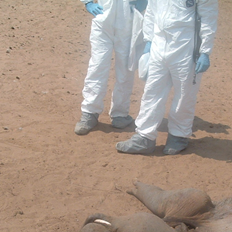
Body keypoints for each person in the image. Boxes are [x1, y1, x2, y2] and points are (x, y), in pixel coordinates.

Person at [116, 0, 219, 155]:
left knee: (185, 95)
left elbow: (208, 18)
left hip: (187, 47)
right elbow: (151, 11)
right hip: (159, 44)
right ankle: (144, 136)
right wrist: (148, 41)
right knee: (152, 92)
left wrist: (205, 51)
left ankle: (179, 135)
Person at [75, 0, 148, 136]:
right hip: (103, 20)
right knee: (97, 67)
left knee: (126, 69)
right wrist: (88, 2)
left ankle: (120, 114)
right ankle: (89, 112)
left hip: (129, 22)